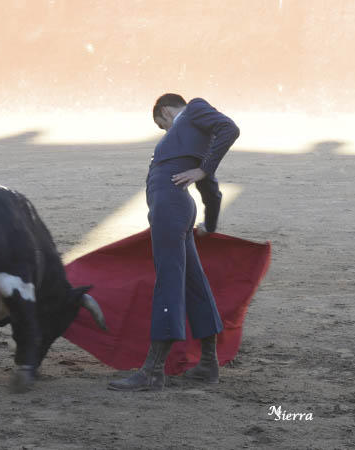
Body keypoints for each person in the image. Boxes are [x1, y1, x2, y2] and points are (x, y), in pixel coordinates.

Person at [108, 94, 240, 391]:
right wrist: (211, 224)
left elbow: (230, 128)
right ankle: (208, 363)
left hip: (170, 207)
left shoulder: (194, 109)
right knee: (194, 285)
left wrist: (203, 169)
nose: (167, 132)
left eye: (163, 125)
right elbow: (212, 191)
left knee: (168, 283)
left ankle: (153, 371)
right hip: (176, 209)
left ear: (165, 111)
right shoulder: (197, 142)